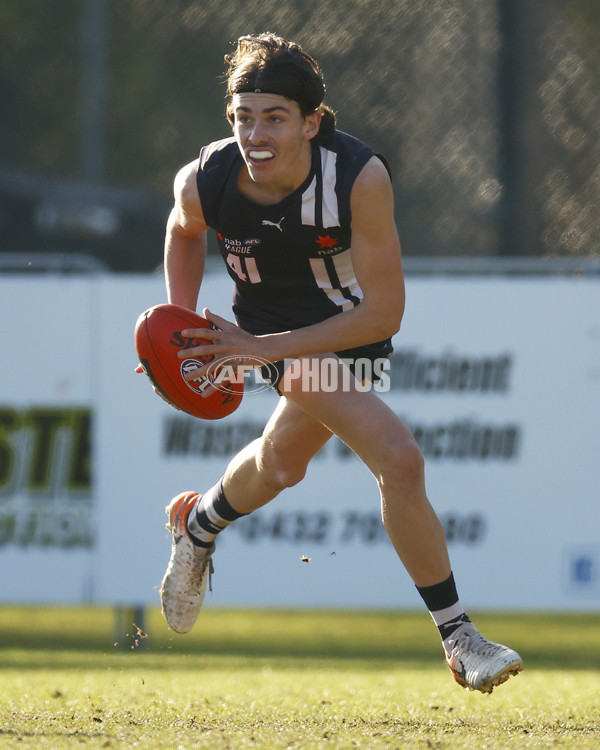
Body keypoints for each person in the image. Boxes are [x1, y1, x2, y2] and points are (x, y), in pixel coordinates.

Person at [158, 32, 522, 694]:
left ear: (312, 122)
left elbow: (384, 314)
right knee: (399, 458)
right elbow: (183, 231)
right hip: (270, 331)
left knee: (280, 466)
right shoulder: (207, 178)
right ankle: (459, 636)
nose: (255, 134)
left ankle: (200, 522)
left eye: (274, 117)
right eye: (243, 117)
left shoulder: (357, 177)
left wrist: (260, 352)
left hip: (347, 333)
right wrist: (179, 323)